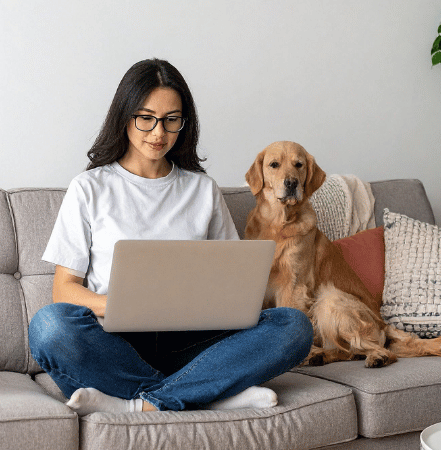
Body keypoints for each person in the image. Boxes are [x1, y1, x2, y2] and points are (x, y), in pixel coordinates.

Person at [29, 58, 312, 415]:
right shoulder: (89, 188)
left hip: (193, 344)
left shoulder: (202, 190)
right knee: (49, 327)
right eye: (146, 118)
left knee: (293, 326)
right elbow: (63, 289)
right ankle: (210, 394)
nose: (158, 133)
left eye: (171, 120)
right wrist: (124, 307)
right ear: (125, 117)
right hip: (115, 344)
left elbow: (235, 282)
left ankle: (139, 403)